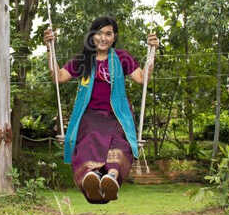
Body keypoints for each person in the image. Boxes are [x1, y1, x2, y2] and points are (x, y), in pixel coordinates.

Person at [44, 16, 157, 204]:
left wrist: (152, 52)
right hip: (91, 115)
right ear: (92, 36)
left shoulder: (121, 57)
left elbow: (142, 78)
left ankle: (111, 177)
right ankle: (92, 176)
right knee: (89, 138)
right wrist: (50, 49)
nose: (103, 38)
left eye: (108, 34)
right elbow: (58, 77)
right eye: (99, 33)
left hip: (117, 115)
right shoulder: (84, 60)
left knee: (121, 141)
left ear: (114, 37)